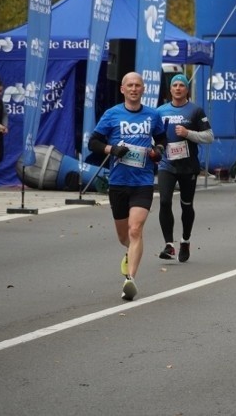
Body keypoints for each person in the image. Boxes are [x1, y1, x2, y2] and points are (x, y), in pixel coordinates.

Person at [89, 72, 167, 300]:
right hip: (118, 182)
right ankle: (128, 252)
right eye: (130, 85)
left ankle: (130, 280)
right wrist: (111, 150)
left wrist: (158, 151)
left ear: (143, 89)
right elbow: (93, 142)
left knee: (136, 229)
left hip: (142, 181)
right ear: (122, 89)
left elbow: (162, 140)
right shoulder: (112, 114)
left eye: (138, 85)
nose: (134, 89)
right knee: (124, 235)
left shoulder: (152, 115)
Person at [156, 74, 214, 262]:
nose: (178, 88)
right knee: (164, 201)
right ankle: (169, 245)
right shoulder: (161, 111)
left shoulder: (195, 111)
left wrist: (188, 133)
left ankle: (185, 240)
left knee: (186, 205)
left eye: (182, 85)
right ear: (170, 89)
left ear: (187, 89)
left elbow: (209, 137)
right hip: (167, 164)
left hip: (188, 167)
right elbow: (153, 136)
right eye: (175, 85)